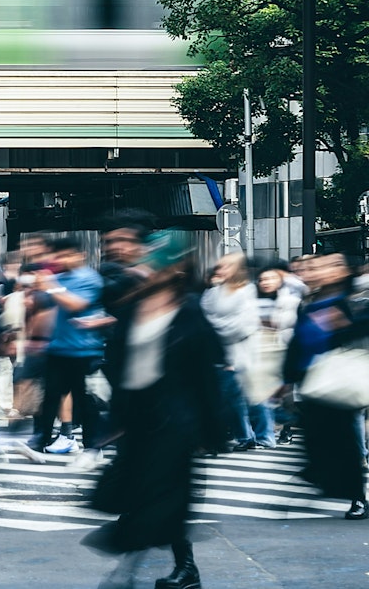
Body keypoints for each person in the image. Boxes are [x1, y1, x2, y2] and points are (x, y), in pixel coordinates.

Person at [85, 231, 226, 589]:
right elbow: (118, 360)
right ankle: (184, 570)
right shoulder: (134, 304)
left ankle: (133, 570)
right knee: (145, 496)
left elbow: (205, 373)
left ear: (178, 268)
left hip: (175, 419)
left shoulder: (190, 309)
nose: (148, 265)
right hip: (136, 417)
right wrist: (115, 417)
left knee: (162, 497)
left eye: (157, 261)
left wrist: (211, 432)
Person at [282, 253, 368, 520]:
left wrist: (343, 326)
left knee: (347, 440)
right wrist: (286, 379)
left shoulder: (352, 300)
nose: (318, 272)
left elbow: (359, 329)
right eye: (314, 267)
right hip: (312, 378)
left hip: (340, 378)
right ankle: (319, 474)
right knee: (313, 433)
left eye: (328, 267)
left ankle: (358, 498)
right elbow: (296, 343)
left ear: (342, 271)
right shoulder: (309, 302)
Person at [29, 237, 108, 469]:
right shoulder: (59, 278)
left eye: (66, 255)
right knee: (51, 396)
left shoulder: (89, 279)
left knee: (84, 401)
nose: (62, 260)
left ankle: (93, 446)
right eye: (58, 256)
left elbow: (76, 305)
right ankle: (40, 441)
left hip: (83, 350)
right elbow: (48, 309)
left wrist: (51, 286)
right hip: (58, 348)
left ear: (79, 255)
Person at [202, 252, 261, 451]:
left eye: (226, 266)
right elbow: (202, 320)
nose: (220, 270)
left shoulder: (246, 291)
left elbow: (244, 325)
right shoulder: (212, 292)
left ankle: (244, 435)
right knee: (219, 398)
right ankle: (239, 435)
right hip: (212, 354)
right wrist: (221, 326)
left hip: (236, 355)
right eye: (219, 266)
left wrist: (216, 327)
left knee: (231, 398)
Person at [248, 263, 301, 449]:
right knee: (258, 395)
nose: (266, 282)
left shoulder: (289, 301)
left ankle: (284, 427)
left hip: (281, 351)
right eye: (262, 279)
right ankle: (266, 433)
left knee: (281, 396)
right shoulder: (251, 300)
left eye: (271, 278)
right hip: (257, 353)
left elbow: (290, 323)